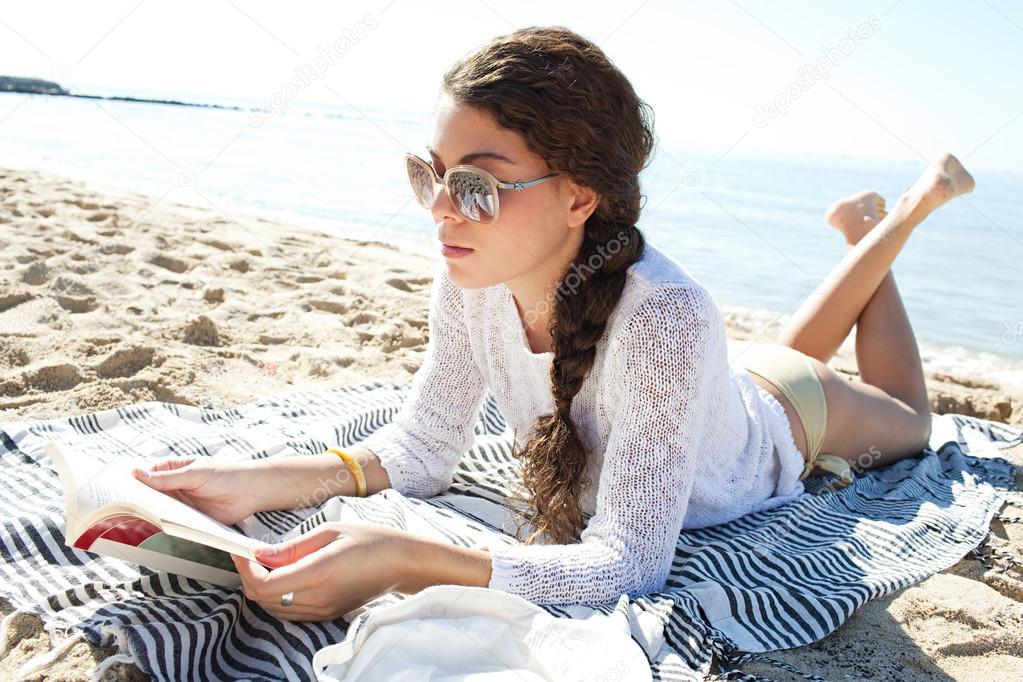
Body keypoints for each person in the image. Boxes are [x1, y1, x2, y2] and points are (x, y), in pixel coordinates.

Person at [133, 26, 975, 621]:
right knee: (772, 353)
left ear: (578, 196)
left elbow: (631, 565)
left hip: (786, 420)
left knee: (910, 416)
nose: (439, 209)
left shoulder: (667, 320)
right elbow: (421, 451)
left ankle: (895, 219)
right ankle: (864, 229)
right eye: (430, 173)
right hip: (712, 379)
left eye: (476, 184)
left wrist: (405, 559)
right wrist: (253, 481)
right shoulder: (470, 276)